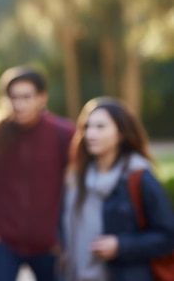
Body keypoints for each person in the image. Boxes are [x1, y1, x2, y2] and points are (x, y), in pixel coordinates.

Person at [0, 66, 75, 281]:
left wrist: (62, 236)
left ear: (42, 98)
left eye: (26, 97)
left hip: (50, 244)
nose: (19, 104)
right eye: (13, 97)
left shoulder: (64, 132)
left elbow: (73, 188)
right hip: (3, 242)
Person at [61, 97, 174, 281]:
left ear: (121, 133)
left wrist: (121, 246)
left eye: (100, 127)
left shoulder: (138, 177)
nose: (90, 134)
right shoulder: (75, 177)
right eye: (87, 127)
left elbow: (168, 237)